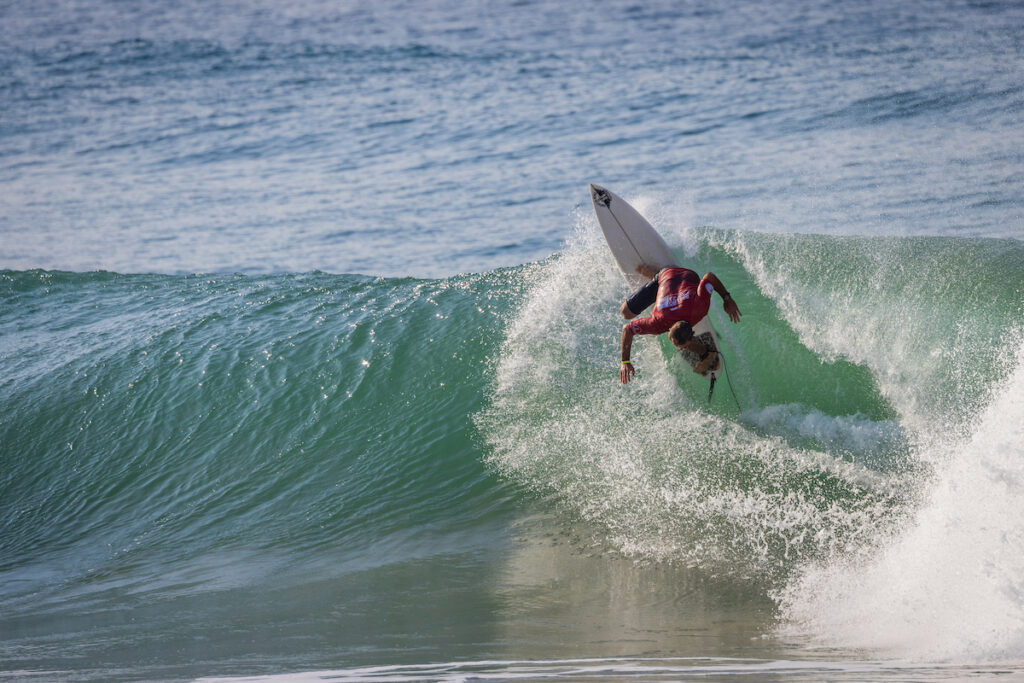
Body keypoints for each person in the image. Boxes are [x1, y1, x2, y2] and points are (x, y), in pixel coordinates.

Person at [619, 264, 741, 384]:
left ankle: (655, 276)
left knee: (628, 311)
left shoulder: (700, 307)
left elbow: (710, 277)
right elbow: (627, 329)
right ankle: (654, 274)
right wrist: (625, 362)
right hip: (666, 275)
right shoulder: (658, 322)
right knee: (625, 312)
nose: (680, 348)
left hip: (682, 276)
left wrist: (727, 298)